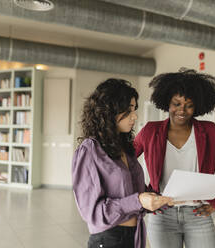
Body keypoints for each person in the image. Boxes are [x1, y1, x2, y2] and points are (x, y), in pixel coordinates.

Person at [134, 69, 215, 248]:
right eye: (176, 103)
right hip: (162, 214)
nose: (182, 110)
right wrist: (141, 195)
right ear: (167, 103)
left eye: (189, 105)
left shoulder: (210, 131)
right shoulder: (150, 131)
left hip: (199, 214)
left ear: (197, 106)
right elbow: (124, 163)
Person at [72, 78, 172, 248]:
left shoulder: (125, 148)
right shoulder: (90, 150)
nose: (135, 116)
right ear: (108, 112)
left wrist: (156, 198)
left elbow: (134, 194)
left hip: (135, 236)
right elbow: (93, 213)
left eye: (134, 109)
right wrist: (139, 201)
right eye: (128, 110)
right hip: (109, 239)